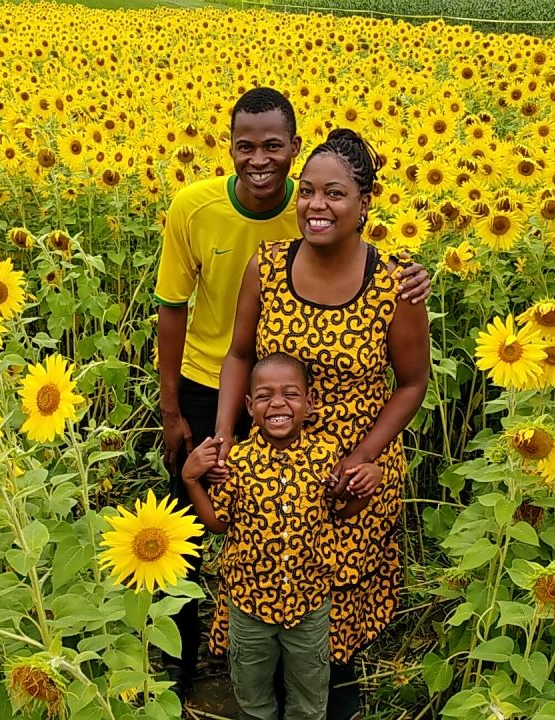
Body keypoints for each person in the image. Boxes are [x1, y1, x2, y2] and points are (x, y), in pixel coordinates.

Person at [153, 87, 431, 698]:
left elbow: (412, 382)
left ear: (365, 202)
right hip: (276, 443)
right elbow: (239, 354)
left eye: (335, 193)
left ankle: (330, 696)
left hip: (356, 458)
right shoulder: (269, 264)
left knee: (338, 585)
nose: (316, 204)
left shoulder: (395, 283)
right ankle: (254, 689)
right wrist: (225, 432)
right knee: (263, 562)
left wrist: (366, 456)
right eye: (308, 191)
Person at [181, 352, 379, 720]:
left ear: (310, 403)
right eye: (264, 395)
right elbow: (217, 524)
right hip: (249, 605)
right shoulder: (236, 461)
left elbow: (341, 512)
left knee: (309, 698)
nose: (277, 403)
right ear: (248, 405)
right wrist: (191, 480)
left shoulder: (326, 456)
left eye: (291, 393)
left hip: (310, 604)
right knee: (253, 696)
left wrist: (365, 487)